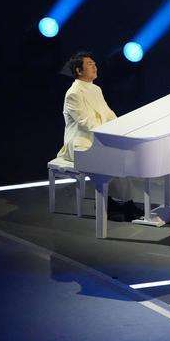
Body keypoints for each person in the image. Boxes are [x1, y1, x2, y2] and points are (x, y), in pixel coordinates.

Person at [57, 52, 138, 221]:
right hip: (80, 141)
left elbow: (108, 113)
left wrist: (120, 126)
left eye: (94, 63)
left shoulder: (96, 89)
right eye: (89, 64)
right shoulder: (73, 93)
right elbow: (85, 122)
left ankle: (119, 201)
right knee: (110, 157)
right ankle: (115, 202)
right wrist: (108, 133)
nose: (95, 66)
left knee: (120, 154)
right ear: (79, 70)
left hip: (98, 136)